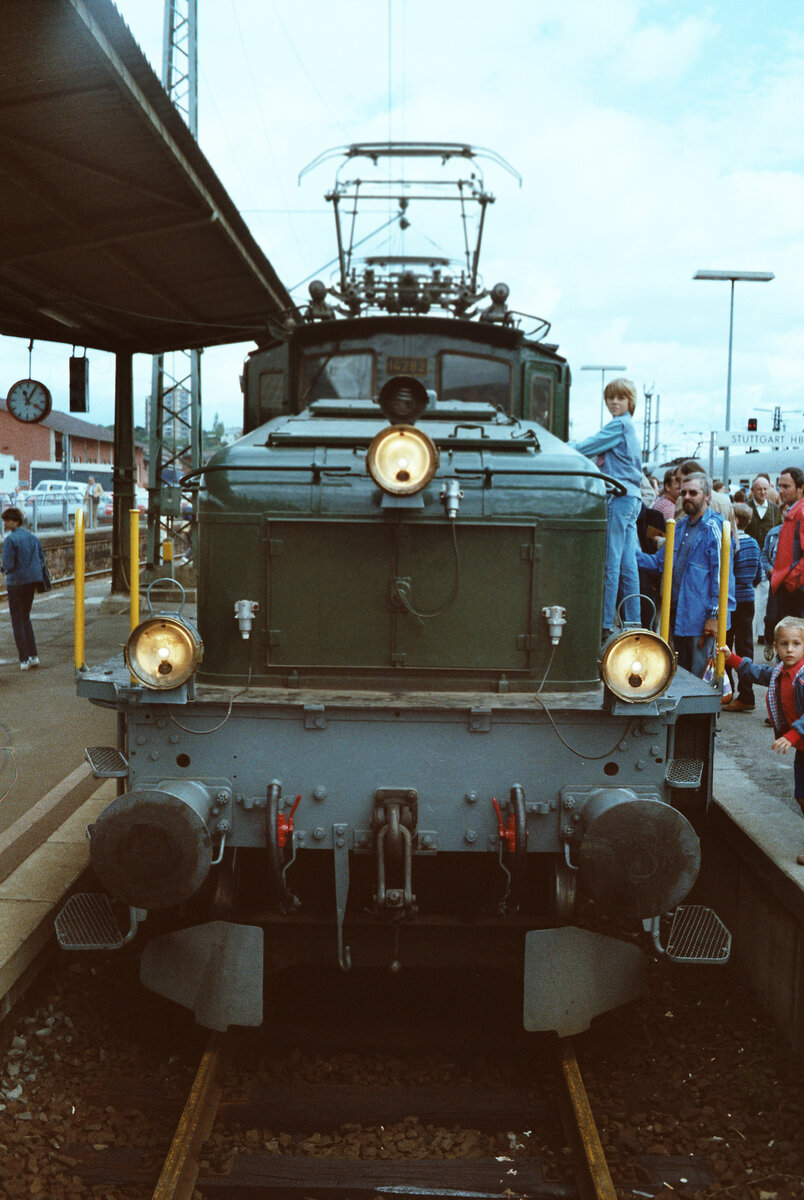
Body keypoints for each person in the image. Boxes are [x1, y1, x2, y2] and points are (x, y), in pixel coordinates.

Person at [720, 615, 804, 865]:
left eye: (797, 644)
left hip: (798, 739)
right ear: (775, 647)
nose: (790, 649)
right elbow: (758, 672)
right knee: (801, 795)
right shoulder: (781, 671)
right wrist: (731, 658)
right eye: (784, 644)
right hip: (802, 747)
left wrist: (791, 736)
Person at [637, 472, 735, 677]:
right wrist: (627, 555)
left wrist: (714, 616)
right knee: (682, 675)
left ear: (707, 496)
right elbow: (658, 562)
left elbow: (722, 576)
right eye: (684, 492)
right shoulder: (679, 526)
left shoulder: (714, 527)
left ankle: (703, 711)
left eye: (693, 492)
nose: (687, 497)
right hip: (677, 614)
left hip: (701, 619)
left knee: (702, 678)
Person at [573, 378, 643, 640]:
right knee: (627, 565)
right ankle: (634, 622)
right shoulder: (629, 427)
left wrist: (559, 449)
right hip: (633, 499)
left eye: (620, 398)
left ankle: (603, 625)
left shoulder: (618, 425)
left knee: (610, 563)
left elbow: (586, 447)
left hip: (620, 496)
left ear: (630, 402)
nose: (614, 402)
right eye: (610, 398)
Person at [722, 503, 762, 712]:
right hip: (748, 599)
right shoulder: (754, 543)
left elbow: (728, 573)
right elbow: (758, 575)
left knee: (726, 646)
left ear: (735, 521)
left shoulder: (732, 542)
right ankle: (747, 693)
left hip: (732, 600)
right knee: (746, 647)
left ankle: (729, 692)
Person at [1, 506, 46, 669]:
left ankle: (24, 659)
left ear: (16, 521)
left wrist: (3, 568)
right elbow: (40, 558)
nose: (5, 523)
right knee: (25, 617)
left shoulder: (10, 540)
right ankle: (33, 656)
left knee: (16, 620)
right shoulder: (32, 537)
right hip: (31, 582)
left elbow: (8, 564)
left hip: (15, 583)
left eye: (7, 520)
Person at [745, 474, 781, 645]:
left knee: (765, 597)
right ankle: (750, 630)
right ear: (752, 491)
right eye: (759, 489)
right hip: (749, 558)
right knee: (752, 596)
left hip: (766, 559)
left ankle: (761, 633)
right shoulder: (746, 508)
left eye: (766, 489)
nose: (763, 492)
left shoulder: (774, 510)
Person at [770, 467, 804, 621]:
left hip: (796, 588)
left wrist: (791, 581)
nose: (781, 490)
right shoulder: (795, 511)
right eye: (780, 486)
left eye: (786, 486)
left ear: (801, 488)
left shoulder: (801, 513)